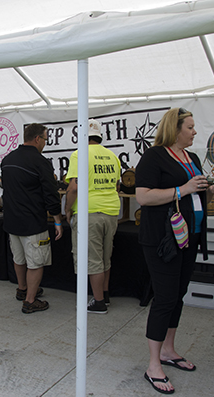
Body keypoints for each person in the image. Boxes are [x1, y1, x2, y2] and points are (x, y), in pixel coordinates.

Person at [135, 108, 214, 394]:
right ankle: (153, 364)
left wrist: (207, 189)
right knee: (165, 298)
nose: (195, 131)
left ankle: (168, 351)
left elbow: (194, 192)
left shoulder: (193, 158)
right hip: (163, 238)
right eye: (190, 126)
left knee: (178, 296)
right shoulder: (154, 156)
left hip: (190, 235)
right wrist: (183, 189)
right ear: (175, 129)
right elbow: (143, 196)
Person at [1, 123, 63, 314]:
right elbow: (51, 194)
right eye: (45, 139)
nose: (45, 143)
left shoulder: (7, 159)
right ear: (37, 139)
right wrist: (58, 220)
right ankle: (30, 301)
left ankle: (23, 289)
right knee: (36, 262)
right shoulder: (40, 162)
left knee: (19, 259)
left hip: (12, 221)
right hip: (33, 222)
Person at [65, 119, 121, 314]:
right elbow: (117, 186)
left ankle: (98, 303)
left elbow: (73, 187)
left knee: (92, 260)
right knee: (105, 258)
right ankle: (104, 294)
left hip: (89, 212)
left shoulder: (79, 154)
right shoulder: (112, 156)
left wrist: (68, 210)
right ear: (100, 136)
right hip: (112, 211)